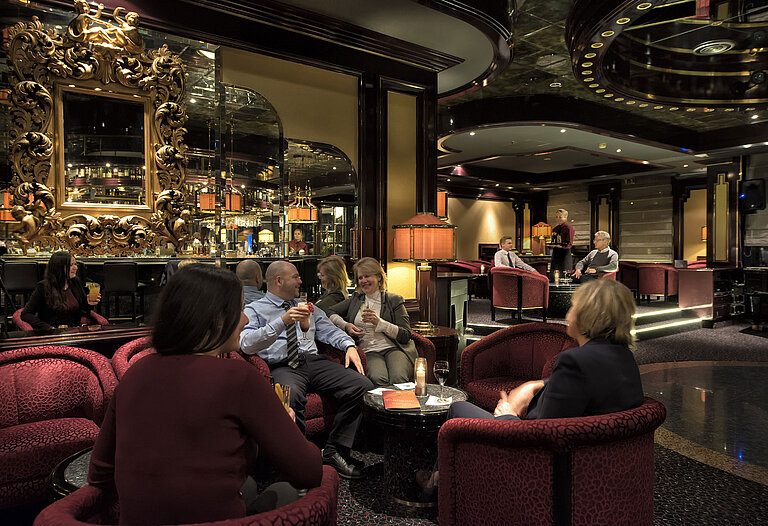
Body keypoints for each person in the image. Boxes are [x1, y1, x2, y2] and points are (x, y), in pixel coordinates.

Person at [87, 265, 322, 525]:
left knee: (251, 486)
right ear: (217, 318)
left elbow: (99, 474)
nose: (245, 320)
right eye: (240, 309)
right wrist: (281, 424)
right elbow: (309, 472)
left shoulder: (135, 372)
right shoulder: (239, 377)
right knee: (286, 490)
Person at [419, 279, 643, 490]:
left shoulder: (573, 361)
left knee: (457, 408)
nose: (568, 314)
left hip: (537, 461)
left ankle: (435, 487)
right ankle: (442, 479)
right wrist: (535, 385)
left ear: (588, 318)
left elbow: (544, 437)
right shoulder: (623, 358)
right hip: (593, 464)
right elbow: (585, 386)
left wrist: (508, 416)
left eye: (573, 307)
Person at [240, 260, 373, 480]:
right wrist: (281, 322)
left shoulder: (307, 306)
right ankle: (297, 462)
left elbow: (329, 331)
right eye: (295, 276)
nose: (300, 281)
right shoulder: (255, 310)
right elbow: (246, 343)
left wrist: (349, 345)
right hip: (282, 365)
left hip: (313, 361)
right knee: (289, 399)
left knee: (362, 386)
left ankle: (335, 451)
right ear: (279, 280)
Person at [327, 257, 417, 387]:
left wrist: (379, 322)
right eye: (360, 277)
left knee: (398, 378)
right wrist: (346, 325)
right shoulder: (356, 300)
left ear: (379, 277)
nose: (363, 281)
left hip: (394, 347)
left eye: (367, 276)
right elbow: (329, 312)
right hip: (369, 350)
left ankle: (402, 406)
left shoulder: (394, 300)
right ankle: (382, 407)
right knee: (378, 378)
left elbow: (405, 335)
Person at [21, 250, 100, 329]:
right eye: (71, 265)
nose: (75, 268)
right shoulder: (43, 287)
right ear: (59, 268)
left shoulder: (75, 282)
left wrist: (89, 303)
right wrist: (48, 327)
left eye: (75, 264)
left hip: (74, 331)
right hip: (53, 334)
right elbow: (26, 314)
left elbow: (83, 308)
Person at [550, 208, 575, 274]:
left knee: (565, 274)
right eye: (556, 217)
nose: (558, 219)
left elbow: (569, 244)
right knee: (554, 274)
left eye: (560, 217)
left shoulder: (568, 228)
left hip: (565, 254)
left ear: (565, 217)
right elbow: (553, 241)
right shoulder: (555, 229)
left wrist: (560, 246)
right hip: (556, 253)